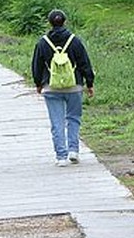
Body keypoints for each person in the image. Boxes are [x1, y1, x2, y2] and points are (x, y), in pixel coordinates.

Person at [32, 9, 95, 166]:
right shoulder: (74, 41)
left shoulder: (43, 42)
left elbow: (37, 65)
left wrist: (38, 83)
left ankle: (61, 156)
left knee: (57, 122)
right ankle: (73, 150)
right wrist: (89, 83)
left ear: (50, 23)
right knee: (73, 118)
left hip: (51, 87)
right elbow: (84, 63)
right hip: (74, 86)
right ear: (65, 22)